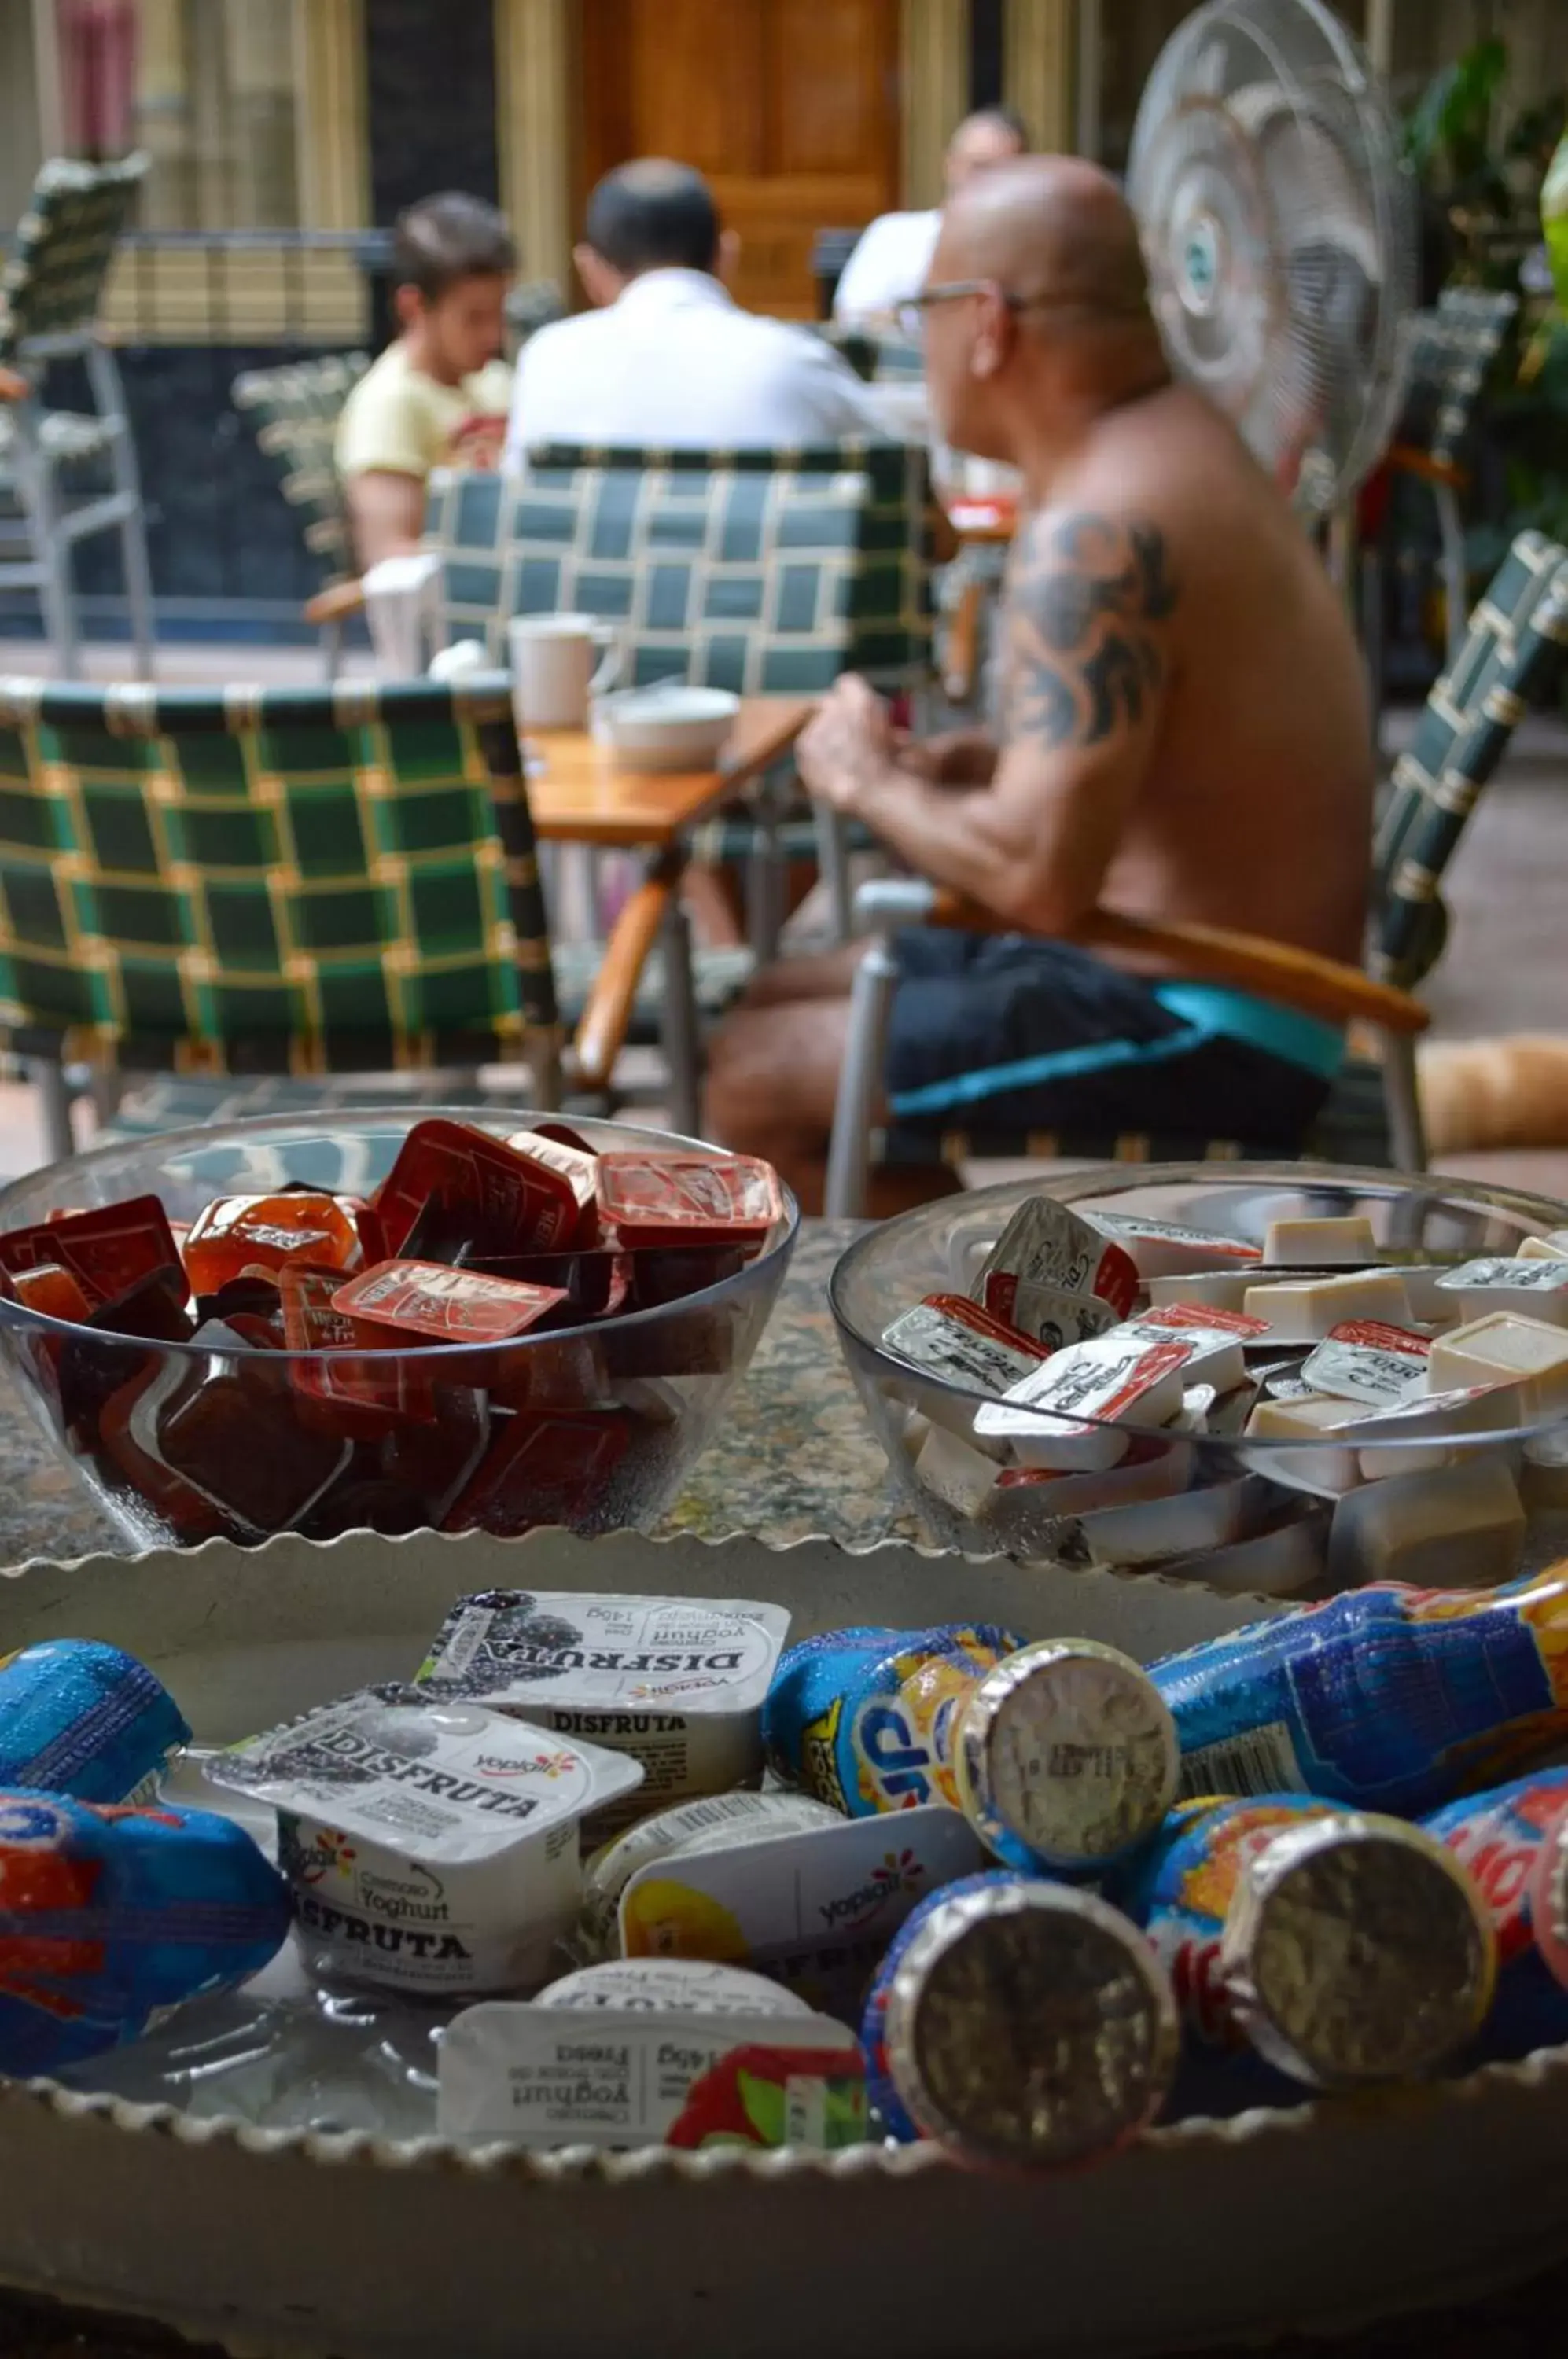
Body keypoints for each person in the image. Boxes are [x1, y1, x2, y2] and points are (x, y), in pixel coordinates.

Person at [706, 157, 1374, 1213]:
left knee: (756, 1077)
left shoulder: (1101, 524)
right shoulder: (1165, 449)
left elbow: (1035, 879)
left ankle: (954, 1338)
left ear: (984, 323)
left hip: (1210, 1014)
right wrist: (980, 764)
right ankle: (977, 1307)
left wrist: (863, 776)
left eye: (920, 311)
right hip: (1172, 958)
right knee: (772, 997)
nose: (915, 343)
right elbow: (1157, 762)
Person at [504, 160, 878, 457]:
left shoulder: (547, 360)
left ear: (589, 269)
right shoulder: (795, 362)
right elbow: (895, 473)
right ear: (726, 257)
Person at [337, 192, 515, 568]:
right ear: (413, 306)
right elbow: (390, 554)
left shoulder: (496, 381)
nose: (494, 336)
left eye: (500, 313)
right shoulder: (390, 405)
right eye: (474, 318)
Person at [831, 106, 1030, 329]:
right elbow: (853, 321)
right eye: (977, 167)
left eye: (1003, 172)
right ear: (950, 164)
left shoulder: (1035, 251)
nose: (986, 182)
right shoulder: (893, 235)